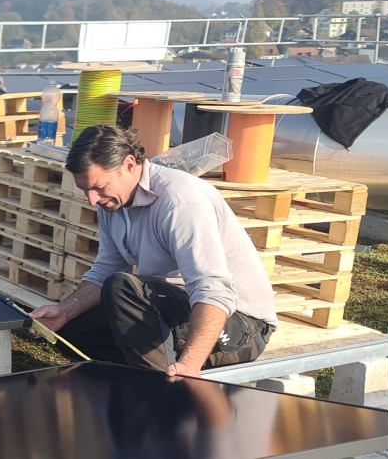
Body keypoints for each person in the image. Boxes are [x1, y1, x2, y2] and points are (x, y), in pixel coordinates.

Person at [28, 125, 277, 378]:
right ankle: (134, 376)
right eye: (85, 190)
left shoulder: (181, 202)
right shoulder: (113, 203)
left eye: (99, 187)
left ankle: (159, 393)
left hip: (240, 326)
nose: (92, 200)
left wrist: (191, 363)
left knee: (123, 289)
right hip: (176, 309)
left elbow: (213, 289)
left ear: (128, 165)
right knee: (73, 329)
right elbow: (107, 269)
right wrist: (65, 311)